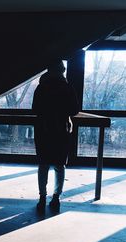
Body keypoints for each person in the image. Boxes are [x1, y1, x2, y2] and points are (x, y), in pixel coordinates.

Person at [32, 59, 79, 214]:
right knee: (59, 165)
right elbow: (74, 110)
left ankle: (42, 197)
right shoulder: (66, 87)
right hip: (62, 129)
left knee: (43, 164)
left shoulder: (41, 87)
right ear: (61, 70)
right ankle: (56, 197)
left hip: (43, 129)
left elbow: (35, 109)